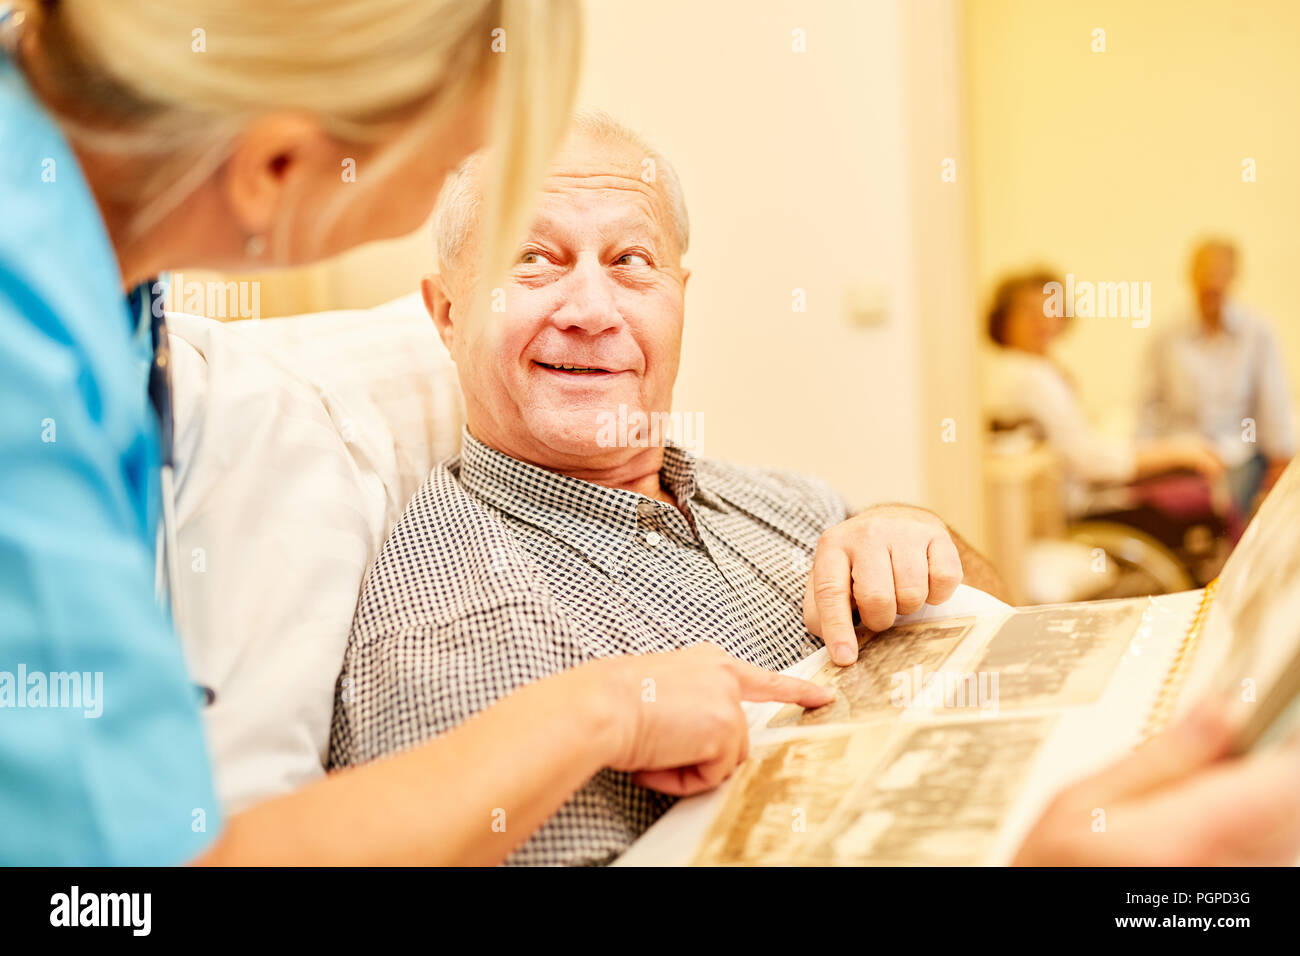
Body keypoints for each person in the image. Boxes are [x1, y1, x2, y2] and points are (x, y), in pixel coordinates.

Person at [332, 117, 1300, 866]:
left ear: (679, 296)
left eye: (631, 262)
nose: (591, 308)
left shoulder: (779, 497)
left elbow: (1008, 618)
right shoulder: (453, 619)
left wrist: (928, 538)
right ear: (446, 308)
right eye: (532, 258)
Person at [0, 0, 834, 867]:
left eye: (632, 263)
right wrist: (603, 708)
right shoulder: (24, 366)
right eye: (446, 165)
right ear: (275, 169)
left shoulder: (98, 290)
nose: (591, 310)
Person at [983, 269, 1224, 518]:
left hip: (1083, 495)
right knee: (1201, 491)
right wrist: (1175, 453)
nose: (1042, 320)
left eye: (1049, 308)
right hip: (1082, 509)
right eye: (1027, 310)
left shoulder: (1026, 369)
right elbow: (1087, 461)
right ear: (1004, 319)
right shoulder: (1028, 375)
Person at [1138, 239, 1297, 514]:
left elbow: (1273, 402)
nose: (1211, 282)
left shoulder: (1257, 332)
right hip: (1180, 456)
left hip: (1237, 456)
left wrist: (1280, 460)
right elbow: (1149, 406)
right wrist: (1143, 460)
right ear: (1190, 275)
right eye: (1205, 272)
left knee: (1224, 510)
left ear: (1233, 277)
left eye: (1220, 273)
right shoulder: (1166, 337)